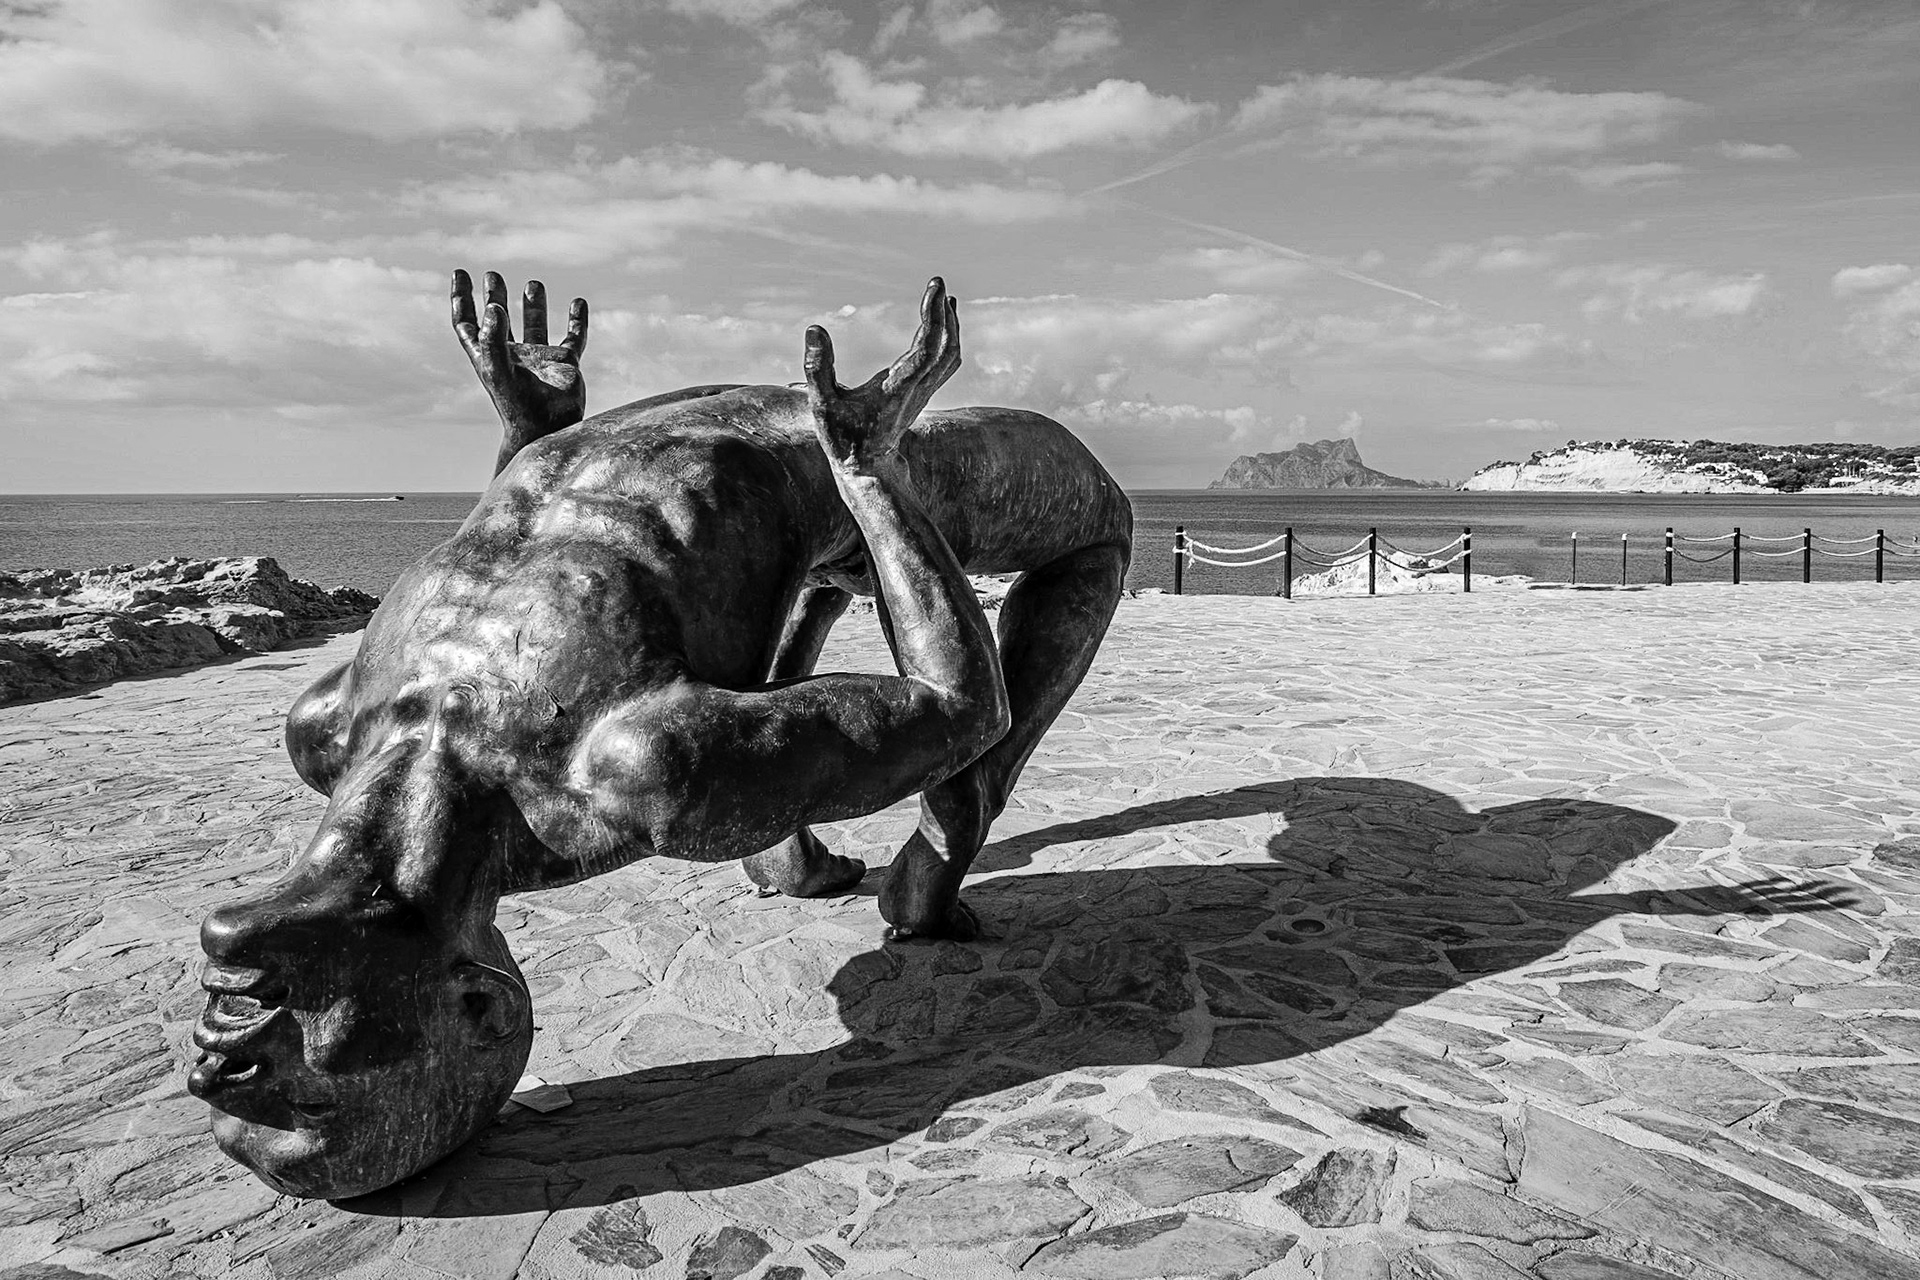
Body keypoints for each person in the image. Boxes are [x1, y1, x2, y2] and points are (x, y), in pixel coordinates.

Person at [188, 273, 1133, 1198]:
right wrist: (869, 471)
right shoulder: (326, 727)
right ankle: (855, 836)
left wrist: (866, 471)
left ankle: (913, 838)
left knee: (1073, 545)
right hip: (695, 450)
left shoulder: (638, 773)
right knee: (1095, 527)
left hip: (779, 453)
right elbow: (954, 698)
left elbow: (963, 709)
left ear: (483, 1005)